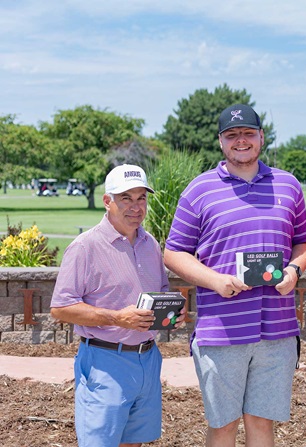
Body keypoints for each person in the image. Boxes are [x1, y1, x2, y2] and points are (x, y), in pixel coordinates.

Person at [163, 103, 306, 447]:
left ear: (261, 137)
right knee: (224, 426)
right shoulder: (199, 190)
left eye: (248, 133)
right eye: (232, 135)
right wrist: (215, 280)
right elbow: (173, 253)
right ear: (221, 142)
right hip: (221, 331)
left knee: (261, 423)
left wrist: (293, 270)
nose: (240, 141)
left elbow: (304, 242)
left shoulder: (288, 185)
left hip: (276, 331)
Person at [50, 164, 186, 447]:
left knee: (133, 443)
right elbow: (60, 309)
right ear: (107, 201)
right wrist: (116, 318)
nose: (136, 207)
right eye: (126, 198)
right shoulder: (84, 247)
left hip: (148, 359)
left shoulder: (150, 244)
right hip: (105, 361)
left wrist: (172, 312)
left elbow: (160, 291)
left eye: (141, 198)